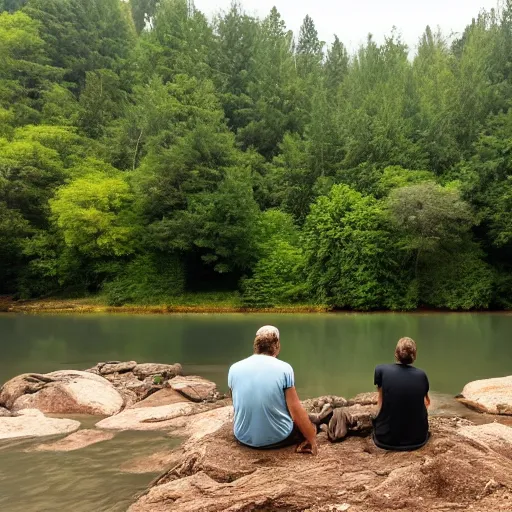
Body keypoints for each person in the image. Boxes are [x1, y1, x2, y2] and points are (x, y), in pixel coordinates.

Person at [228, 325, 317, 454]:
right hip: (277, 439)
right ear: (277, 346)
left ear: (256, 346)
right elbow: (295, 410)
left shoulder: (234, 368)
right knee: (311, 424)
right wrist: (312, 439)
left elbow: (236, 402)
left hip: (242, 437)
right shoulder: (285, 369)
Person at [372, 337, 430, 451]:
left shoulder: (381, 370)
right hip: (417, 439)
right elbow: (426, 403)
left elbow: (380, 402)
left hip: (385, 438)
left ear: (396, 354)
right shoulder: (421, 375)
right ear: (414, 356)